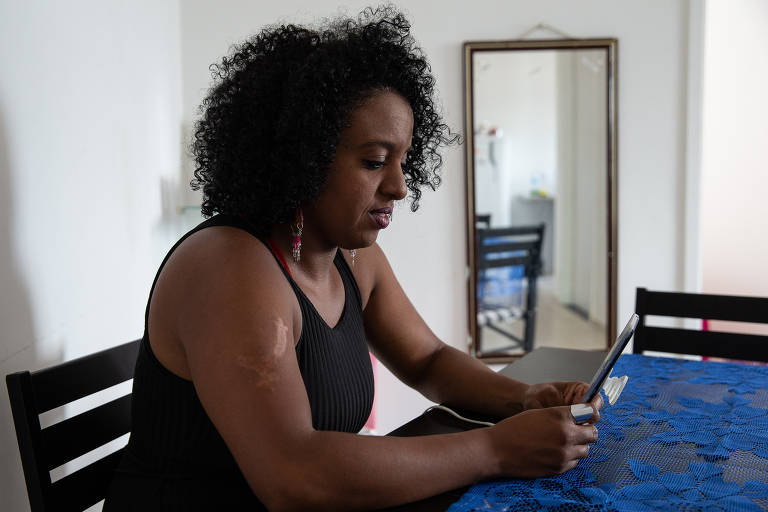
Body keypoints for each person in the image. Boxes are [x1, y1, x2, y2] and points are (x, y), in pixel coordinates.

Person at [104, 6, 602, 511]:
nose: (400, 187)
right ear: (301, 154)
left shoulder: (352, 257)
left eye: (404, 161)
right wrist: (494, 449)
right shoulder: (229, 268)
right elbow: (293, 475)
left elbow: (426, 359)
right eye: (373, 161)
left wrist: (521, 399)